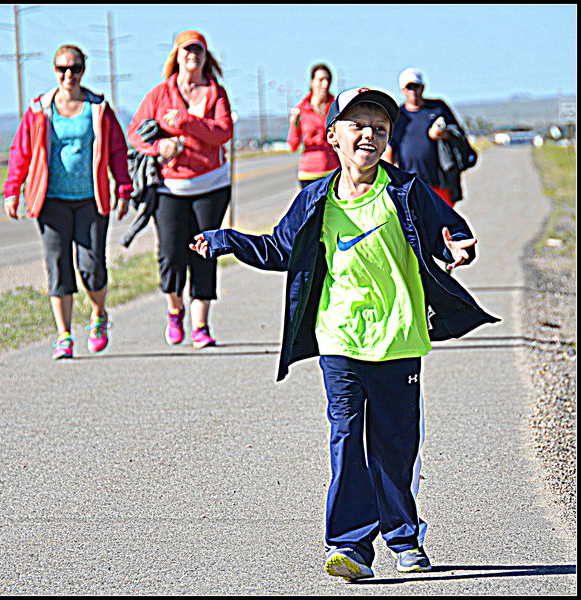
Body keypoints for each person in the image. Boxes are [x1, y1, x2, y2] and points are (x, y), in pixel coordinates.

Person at [190, 87, 500, 581]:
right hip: (338, 338)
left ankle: (403, 534)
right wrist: (228, 240)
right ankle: (351, 546)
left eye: (379, 128)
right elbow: (280, 248)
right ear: (333, 136)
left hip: (399, 336)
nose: (369, 135)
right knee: (347, 439)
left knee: (395, 447)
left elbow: (452, 228)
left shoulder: (406, 191)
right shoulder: (316, 200)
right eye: (357, 125)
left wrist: (460, 247)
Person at [3, 44, 132, 360]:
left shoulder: (98, 108)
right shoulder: (39, 109)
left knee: (92, 267)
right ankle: (64, 335)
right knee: (58, 267)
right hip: (51, 201)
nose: (68, 75)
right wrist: (12, 189)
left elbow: (117, 150)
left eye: (74, 68)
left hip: (91, 199)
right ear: (54, 70)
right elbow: (21, 152)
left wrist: (124, 188)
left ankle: (98, 315)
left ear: (83, 70)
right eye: (62, 68)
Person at [127, 30, 233, 349]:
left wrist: (186, 123)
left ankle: (201, 326)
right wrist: (159, 146)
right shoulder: (160, 93)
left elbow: (223, 133)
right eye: (187, 50)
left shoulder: (215, 93)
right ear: (176, 55)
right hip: (169, 188)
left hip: (212, 184)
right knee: (171, 254)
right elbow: (134, 133)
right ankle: (175, 310)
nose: (192, 55)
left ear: (205, 55)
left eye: (198, 50)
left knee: (204, 251)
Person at [382, 68, 470, 207]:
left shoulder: (438, 108)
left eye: (415, 86)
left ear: (422, 87)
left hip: (440, 182)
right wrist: (393, 180)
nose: (413, 92)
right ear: (402, 90)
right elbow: (390, 148)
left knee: (444, 223)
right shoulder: (398, 116)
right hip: (410, 185)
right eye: (408, 88)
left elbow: (459, 135)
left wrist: (444, 135)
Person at [287, 63, 340, 189]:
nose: (325, 84)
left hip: (332, 170)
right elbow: (292, 145)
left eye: (328, 80)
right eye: (321, 80)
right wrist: (293, 124)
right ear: (312, 82)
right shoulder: (301, 109)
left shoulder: (336, 107)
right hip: (308, 173)